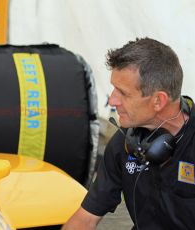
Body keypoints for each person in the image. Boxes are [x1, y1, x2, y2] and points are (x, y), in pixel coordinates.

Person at [62, 37, 195, 230]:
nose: (113, 100)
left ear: (158, 101)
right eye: (113, 89)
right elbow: (86, 219)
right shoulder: (124, 143)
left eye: (123, 93)